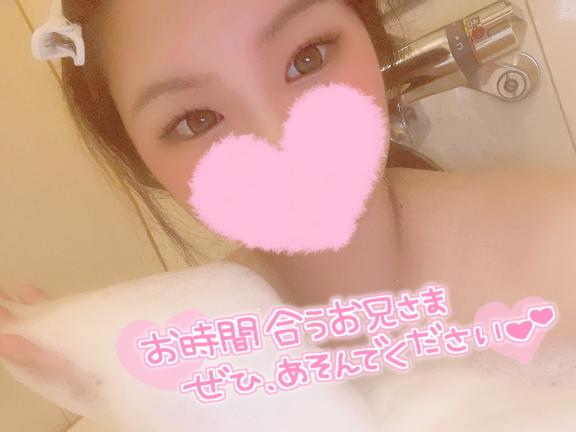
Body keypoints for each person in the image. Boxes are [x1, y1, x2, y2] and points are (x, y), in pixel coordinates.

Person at [1, 0, 574, 404]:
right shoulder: (196, 356)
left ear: (370, 34)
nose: (282, 143)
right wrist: (119, 391)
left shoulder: (561, 242)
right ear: (143, 163)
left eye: (307, 57)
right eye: (197, 120)